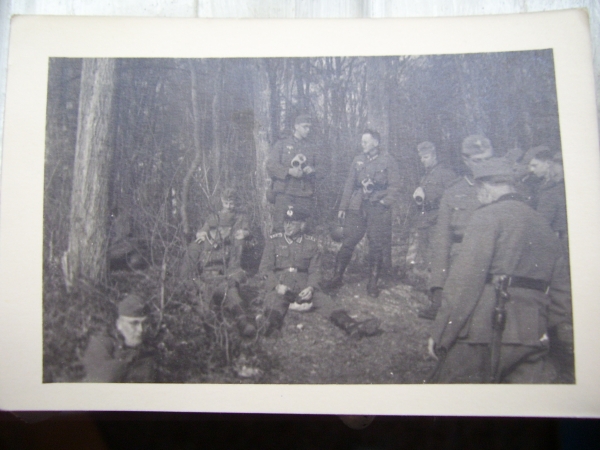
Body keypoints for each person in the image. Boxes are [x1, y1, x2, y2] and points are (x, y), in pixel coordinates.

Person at [427, 158, 573, 384]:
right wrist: (539, 326)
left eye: (478, 189)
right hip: (532, 337)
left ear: (486, 187)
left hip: (482, 332)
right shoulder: (543, 224)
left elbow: (463, 283)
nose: (478, 196)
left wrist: (441, 333)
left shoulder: (486, 217)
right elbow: (561, 296)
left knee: (453, 396)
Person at [259, 206, 380, 338]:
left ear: (302, 225)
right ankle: (270, 326)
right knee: (274, 300)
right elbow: (264, 269)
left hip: (303, 284)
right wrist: (277, 286)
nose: (287, 226)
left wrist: (311, 288)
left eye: (292, 223)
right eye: (286, 222)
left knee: (324, 300)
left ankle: (351, 325)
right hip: (281, 283)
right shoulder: (274, 241)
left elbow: (315, 271)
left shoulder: (311, 243)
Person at [418, 135, 494, 320]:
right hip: (462, 262)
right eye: (478, 161)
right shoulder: (454, 191)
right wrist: (437, 288)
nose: (484, 165)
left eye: (488, 159)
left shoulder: (503, 188)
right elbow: (442, 243)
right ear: (466, 161)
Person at [321, 129, 401, 298]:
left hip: (377, 207)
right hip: (357, 206)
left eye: (366, 141)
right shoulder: (358, 160)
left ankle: (373, 283)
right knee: (349, 240)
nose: (362, 144)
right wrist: (343, 207)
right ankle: (337, 277)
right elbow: (349, 184)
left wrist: (384, 202)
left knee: (375, 244)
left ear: (376, 143)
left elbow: (395, 186)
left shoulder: (388, 160)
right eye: (362, 141)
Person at [179, 188, 255, 337]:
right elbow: (186, 273)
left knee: (234, 297)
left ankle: (243, 323)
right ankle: (211, 331)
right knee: (206, 307)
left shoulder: (229, 245)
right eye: (218, 230)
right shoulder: (199, 245)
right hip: (204, 282)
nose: (222, 233)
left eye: (226, 230)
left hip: (222, 280)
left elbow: (235, 267)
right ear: (210, 229)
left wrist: (232, 280)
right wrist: (196, 284)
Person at [81, 294, 155, 383]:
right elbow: (102, 380)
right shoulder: (101, 344)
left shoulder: (147, 346)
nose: (141, 329)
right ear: (119, 324)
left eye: (145, 323)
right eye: (134, 323)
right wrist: (128, 356)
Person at [267, 114, 321, 232]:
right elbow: (271, 165)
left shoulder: (312, 147)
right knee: (280, 227)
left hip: (303, 194)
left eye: (309, 127)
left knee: (302, 228)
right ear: (296, 126)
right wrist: (288, 171)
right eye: (305, 126)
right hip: (285, 192)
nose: (308, 130)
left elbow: (321, 167)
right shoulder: (282, 144)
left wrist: (313, 170)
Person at [410, 141, 457, 272]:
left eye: (426, 157)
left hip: (438, 220)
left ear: (434, 156)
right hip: (425, 219)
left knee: (438, 254)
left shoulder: (446, 174)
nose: (423, 160)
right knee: (426, 254)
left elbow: (452, 198)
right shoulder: (426, 175)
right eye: (421, 157)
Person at [528, 148, 569, 256]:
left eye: (535, 165)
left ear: (548, 164)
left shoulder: (552, 190)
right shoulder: (541, 185)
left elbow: (543, 221)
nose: (531, 170)